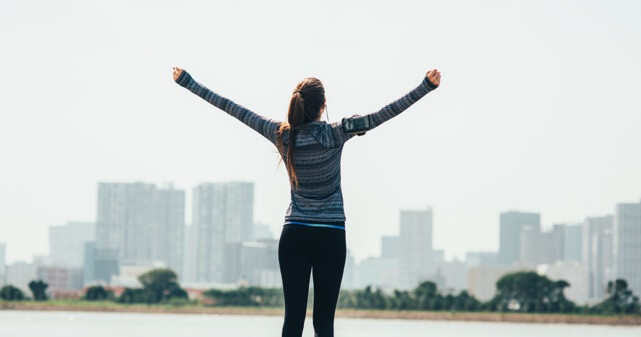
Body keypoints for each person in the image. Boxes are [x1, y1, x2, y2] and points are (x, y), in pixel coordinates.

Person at [173, 66, 440, 337]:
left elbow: (232, 108)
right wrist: (425, 87)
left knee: (293, 322)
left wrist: (187, 82)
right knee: (324, 323)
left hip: (295, 235)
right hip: (331, 235)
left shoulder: (281, 134)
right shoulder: (338, 132)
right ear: (323, 106)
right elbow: (383, 114)